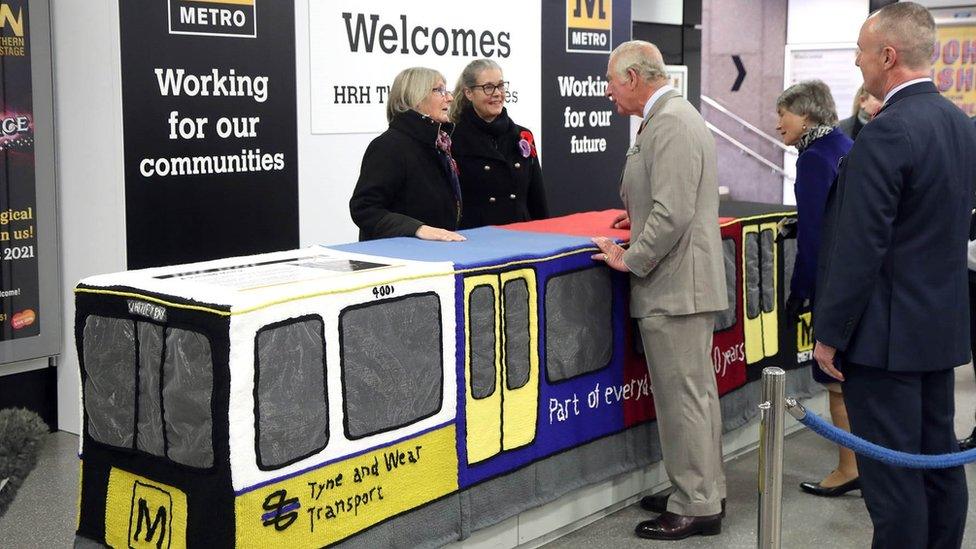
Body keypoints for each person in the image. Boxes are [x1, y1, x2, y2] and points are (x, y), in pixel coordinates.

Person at [813, 3, 976, 547]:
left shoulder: (887, 133)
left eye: (861, 50)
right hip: (938, 330)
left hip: (883, 340)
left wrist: (830, 335)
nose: (857, 61)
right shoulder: (960, 124)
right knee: (938, 464)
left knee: (894, 482)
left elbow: (860, 248)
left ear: (887, 55)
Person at [592, 40, 728, 541]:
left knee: (684, 400)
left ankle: (696, 502)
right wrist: (641, 215)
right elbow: (671, 200)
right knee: (695, 396)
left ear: (632, 78)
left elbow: (673, 214)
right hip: (682, 284)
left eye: (610, 80)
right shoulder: (669, 116)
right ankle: (700, 488)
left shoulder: (669, 120)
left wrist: (630, 257)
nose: (607, 91)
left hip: (674, 287)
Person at [775, 80, 859, 498]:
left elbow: (814, 234)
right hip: (859, 280)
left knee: (835, 380)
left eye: (783, 115)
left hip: (830, 282)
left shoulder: (812, 158)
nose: (777, 125)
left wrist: (798, 292)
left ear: (805, 115)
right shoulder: (846, 143)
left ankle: (848, 468)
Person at [349, 67, 466, 242]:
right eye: (439, 90)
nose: (449, 97)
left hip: (438, 256)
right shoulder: (388, 146)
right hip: (400, 260)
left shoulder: (439, 145)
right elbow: (365, 208)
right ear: (416, 98)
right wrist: (417, 229)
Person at [450, 59, 548, 228]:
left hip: (522, 235)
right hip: (479, 240)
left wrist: (546, 234)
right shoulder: (454, 138)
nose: (497, 93)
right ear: (469, 93)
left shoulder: (522, 135)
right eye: (488, 87)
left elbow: (537, 199)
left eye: (501, 86)